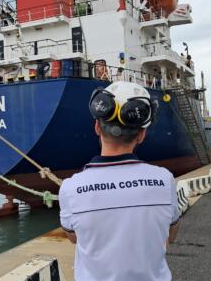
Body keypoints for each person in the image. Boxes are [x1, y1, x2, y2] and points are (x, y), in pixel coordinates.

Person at [59, 81, 181, 281]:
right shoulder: (164, 180)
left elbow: (74, 237)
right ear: (141, 135)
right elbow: (171, 232)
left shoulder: (70, 188)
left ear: (97, 127)